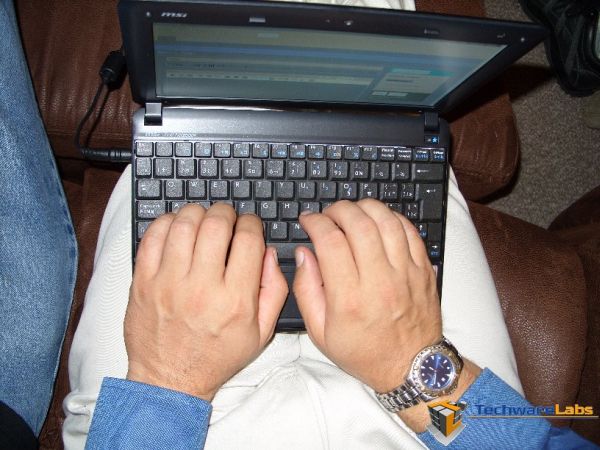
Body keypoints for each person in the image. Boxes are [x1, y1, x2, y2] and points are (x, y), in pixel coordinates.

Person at [0, 0, 597, 449]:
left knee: (189, 139)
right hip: (430, 425)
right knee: (405, 136)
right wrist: (418, 372)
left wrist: (166, 383)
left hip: (177, 420)